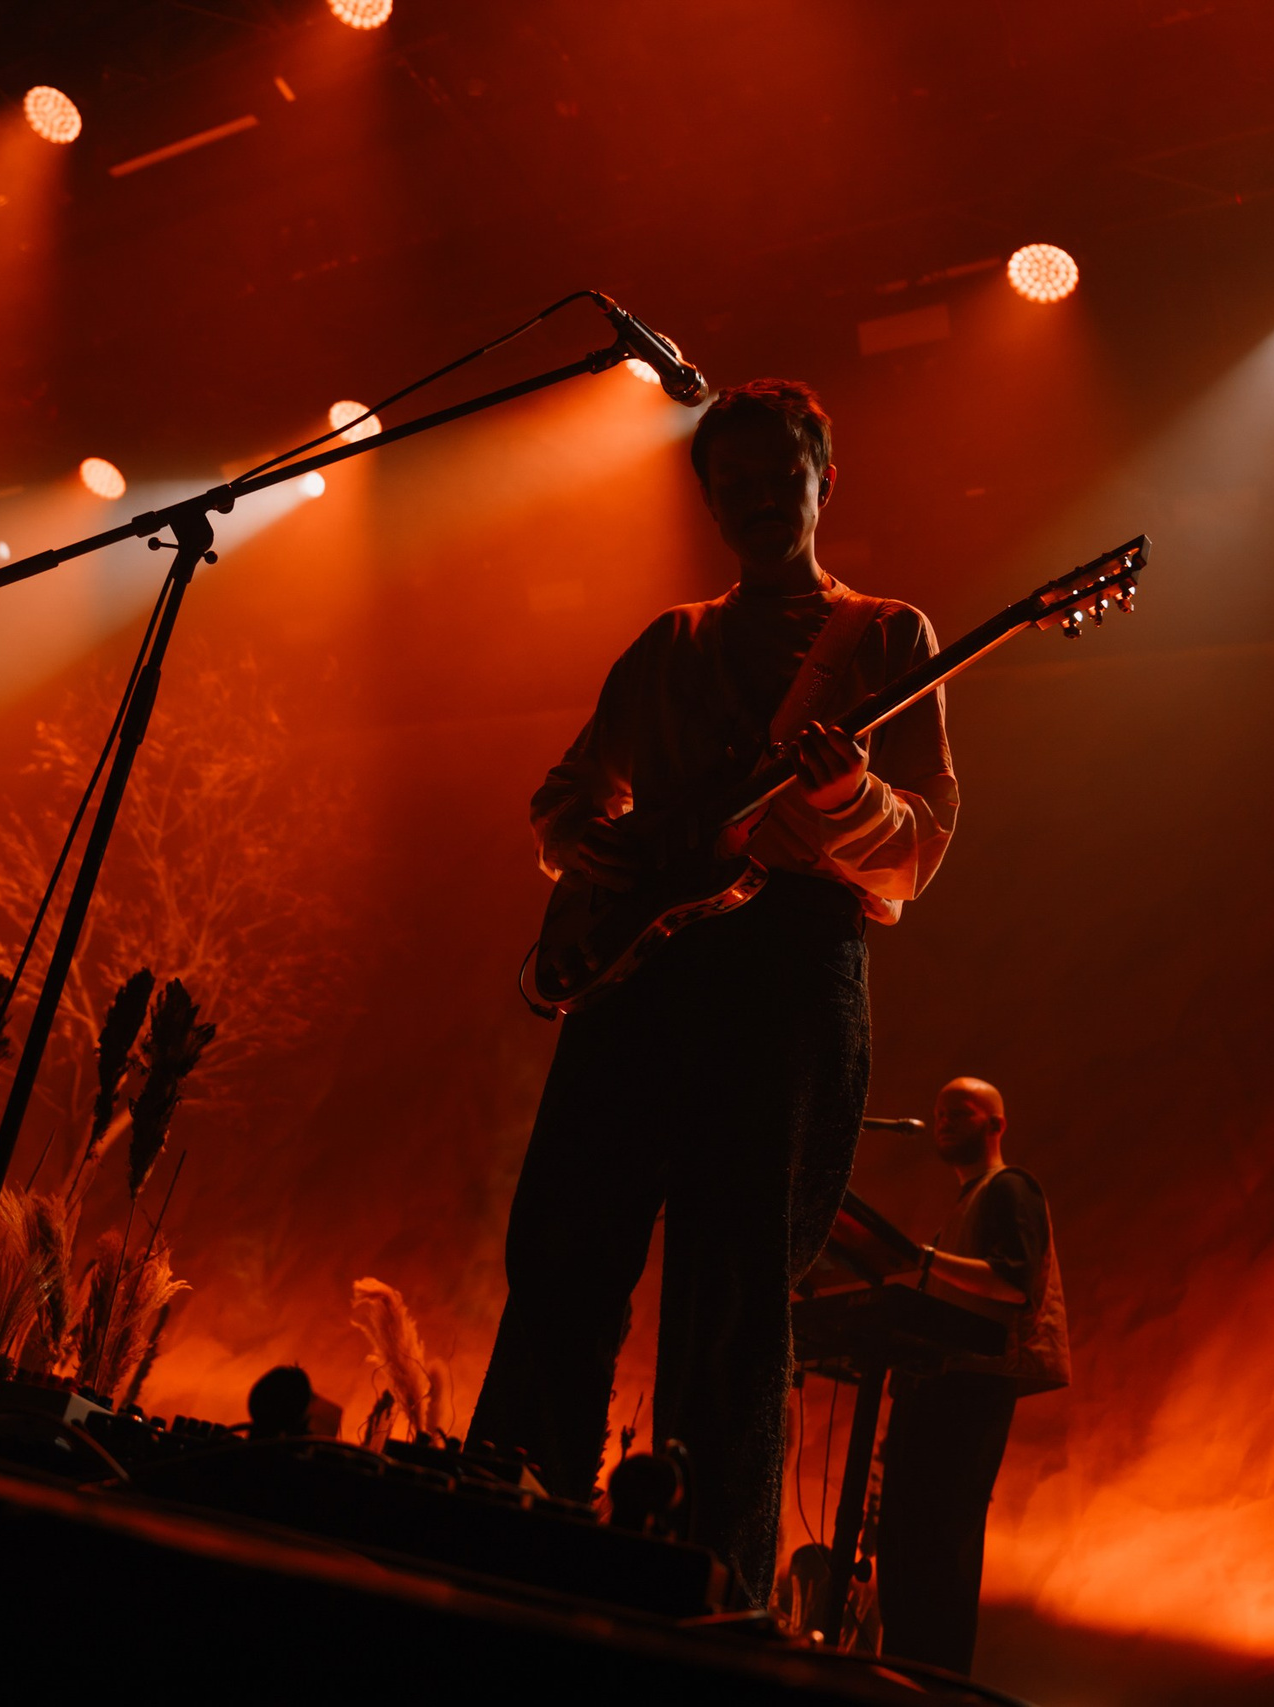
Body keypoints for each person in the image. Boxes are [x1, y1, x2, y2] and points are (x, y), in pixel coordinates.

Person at [469, 380, 961, 1602]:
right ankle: (503, 1543)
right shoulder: (670, 642)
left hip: (789, 976)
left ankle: (704, 1592)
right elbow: (568, 795)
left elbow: (917, 852)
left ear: (823, 480)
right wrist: (583, 838)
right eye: (725, 481)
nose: (748, 497)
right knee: (561, 1262)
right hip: (644, 977)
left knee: (734, 1301)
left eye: (772, 474)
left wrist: (843, 796)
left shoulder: (886, 637)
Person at [876, 1075, 1070, 1675]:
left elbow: (1012, 1281)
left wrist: (922, 1260)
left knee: (939, 1544)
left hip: (970, 1388)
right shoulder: (967, 1203)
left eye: (958, 1112)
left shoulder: (1011, 1189)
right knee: (907, 1544)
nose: (942, 1122)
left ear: (996, 1124)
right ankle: (901, 1675)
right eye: (937, 1114)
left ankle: (929, 1684)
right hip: (937, 1384)